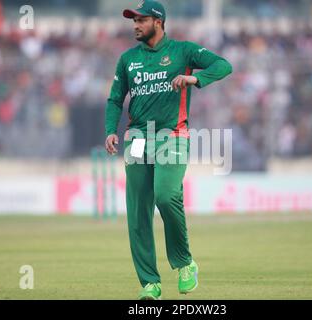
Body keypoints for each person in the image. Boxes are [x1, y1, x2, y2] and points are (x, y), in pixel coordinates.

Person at [105, 0, 232, 300]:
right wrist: (111, 130)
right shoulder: (127, 59)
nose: (135, 25)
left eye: (141, 20)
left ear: (158, 22)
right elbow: (114, 100)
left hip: (172, 135)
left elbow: (223, 65)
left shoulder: (183, 51)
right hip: (136, 137)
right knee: (138, 211)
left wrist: (195, 78)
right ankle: (150, 282)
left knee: (166, 195)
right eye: (133, 20)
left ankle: (185, 263)